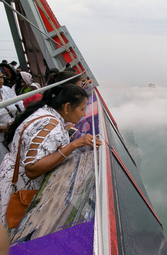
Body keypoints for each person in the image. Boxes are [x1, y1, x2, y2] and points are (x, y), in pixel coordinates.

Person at [0, 84, 103, 228]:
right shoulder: (50, 124)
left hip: (10, 178)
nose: (84, 114)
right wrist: (72, 145)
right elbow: (32, 169)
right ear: (67, 107)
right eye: (82, 109)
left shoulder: (45, 113)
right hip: (18, 189)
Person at [0, 70, 25, 164]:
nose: (1, 81)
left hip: (15, 134)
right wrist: (9, 128)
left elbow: (20, 105)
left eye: (2, 77)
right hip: (2, 140)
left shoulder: (6, 90)